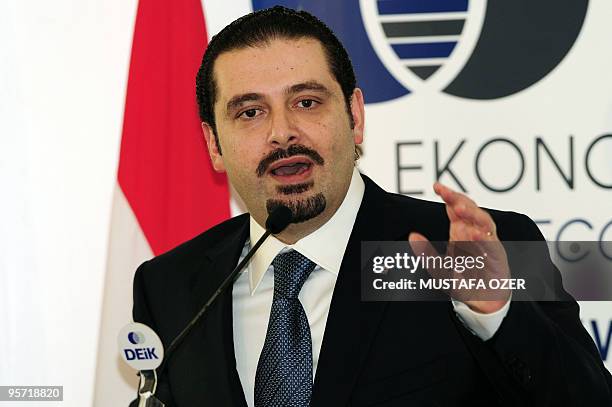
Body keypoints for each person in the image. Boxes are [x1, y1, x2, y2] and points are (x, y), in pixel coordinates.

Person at [130, 6, 612, 406]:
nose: (282, 133)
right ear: (214, 144)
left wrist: (497, 314)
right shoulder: (171, 287)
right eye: (250, 112)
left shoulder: (466, 251)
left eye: (307, 102)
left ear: (355, 117)